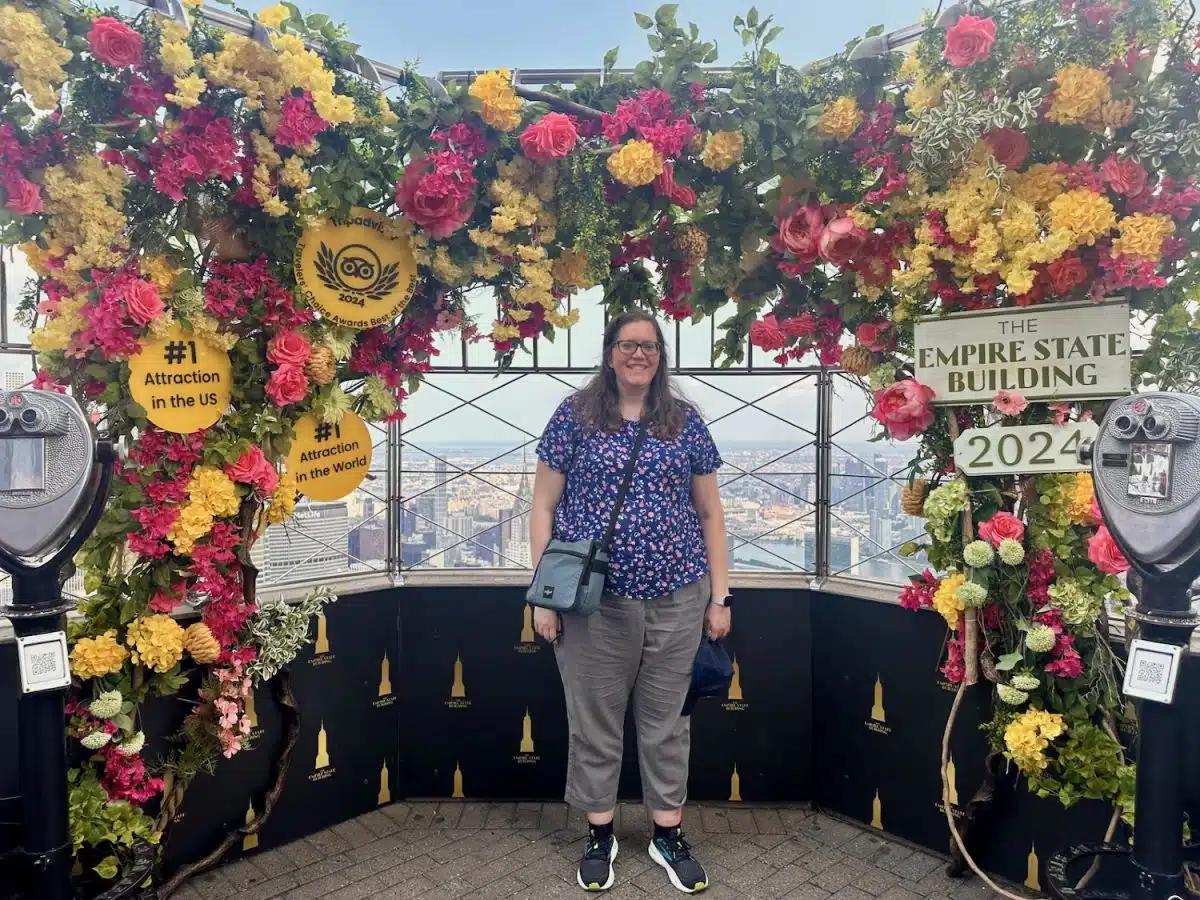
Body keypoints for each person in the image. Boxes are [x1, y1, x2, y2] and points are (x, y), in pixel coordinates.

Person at [530, 310, 731, 894]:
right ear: (610, 352)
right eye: (627, 344)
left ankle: (667, 834)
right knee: (595, 723)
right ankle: (600, 833)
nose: (638, 354)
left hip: (677, 596)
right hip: (593, 600)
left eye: (648, 345)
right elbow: (542, 508)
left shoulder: (684, 422)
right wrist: (544, 598)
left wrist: (720, 596)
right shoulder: (575, 416)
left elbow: (711, 513)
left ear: (661, 354)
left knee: (667, 724)